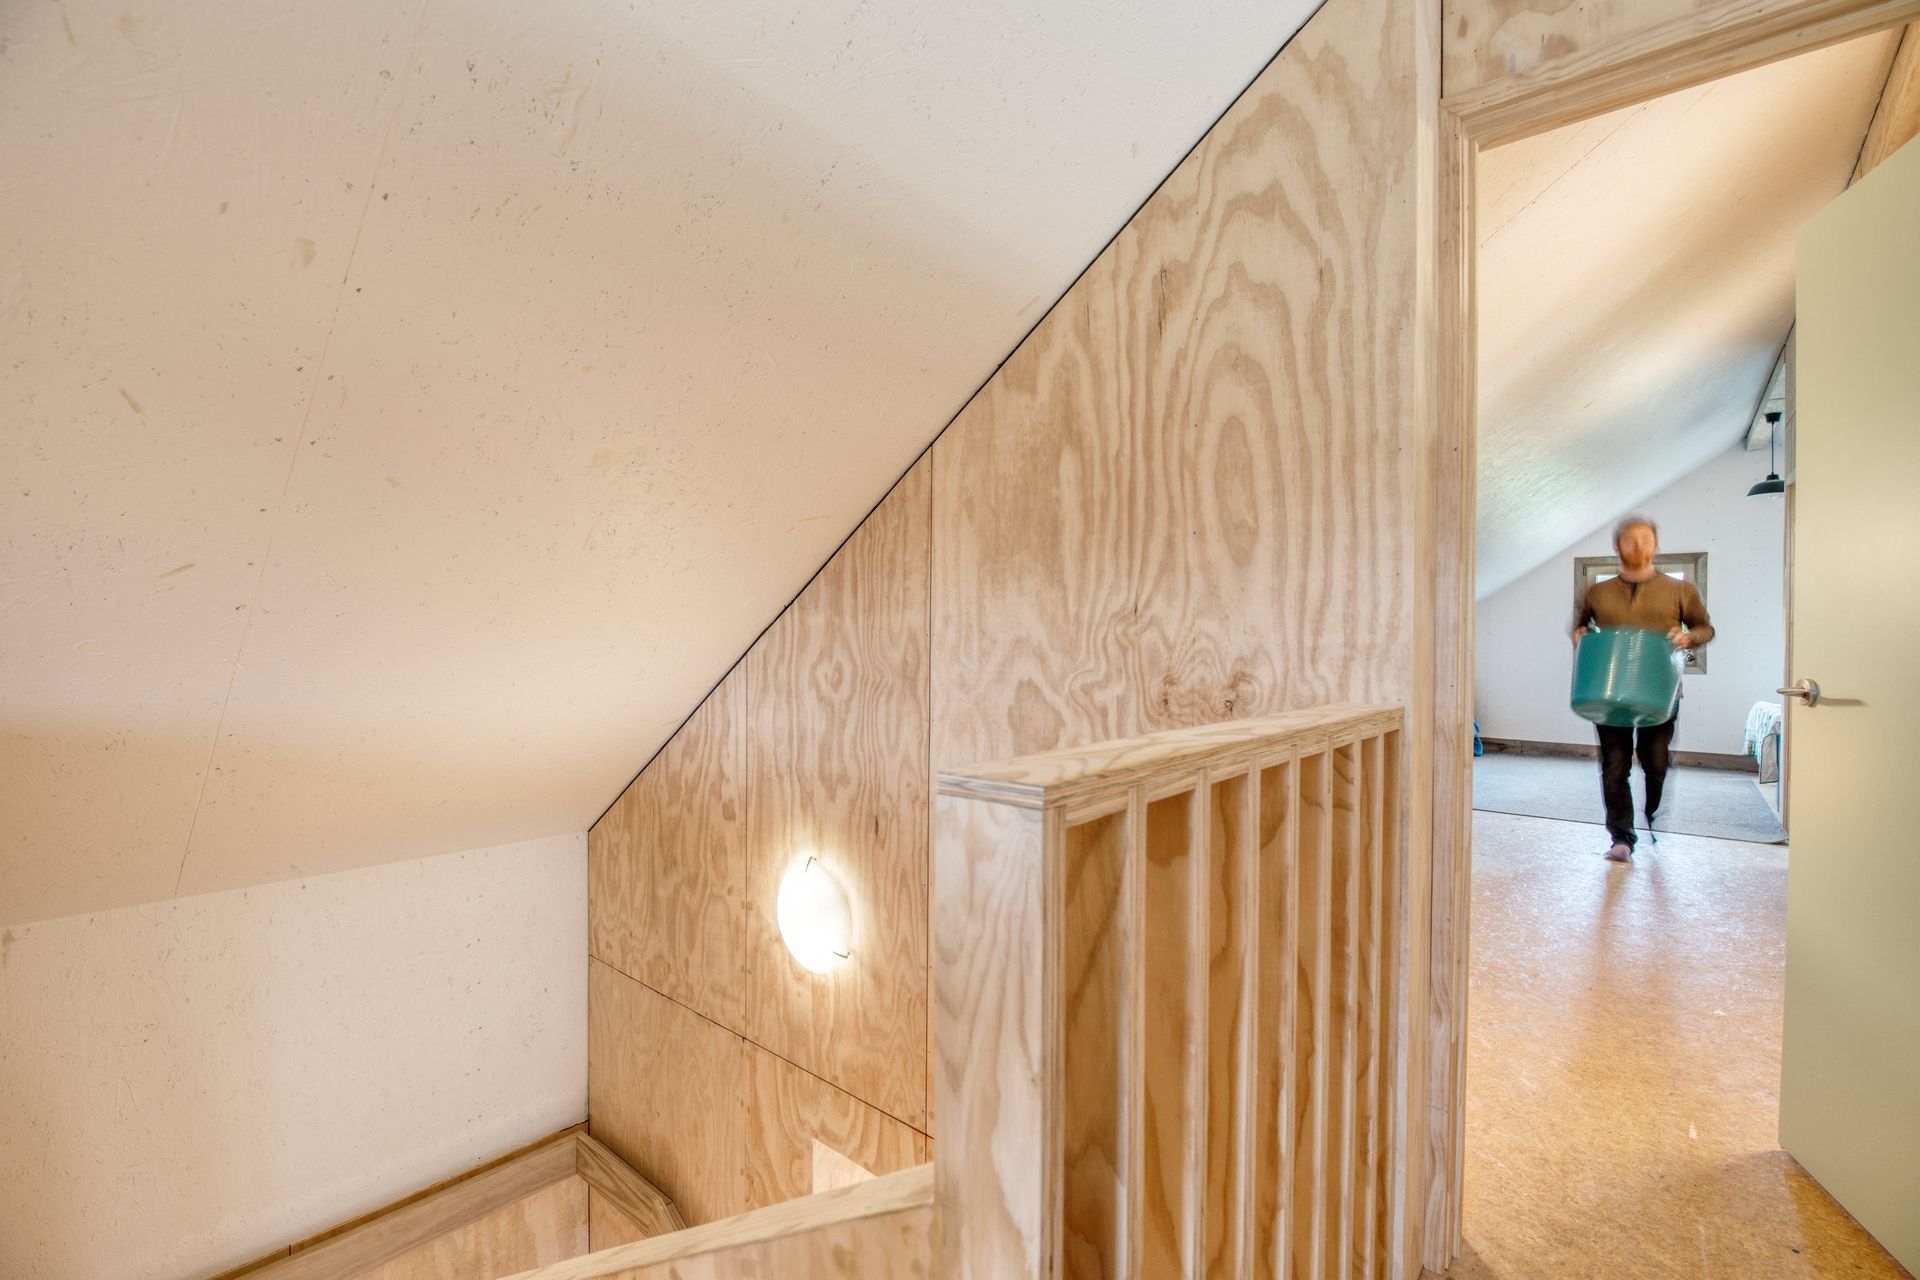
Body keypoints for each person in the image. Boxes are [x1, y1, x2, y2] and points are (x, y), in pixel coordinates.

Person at [1571, 516, 1714, 862]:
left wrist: (1688, 637)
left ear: (1656, 545)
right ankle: (1621, 837)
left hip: (1660, 692)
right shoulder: (1597, 592)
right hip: (1609, 693)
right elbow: (1579, 627)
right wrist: (1580, 635)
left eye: (1646, 539)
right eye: (1630, 539)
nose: (1638, 546)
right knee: (1615, 768)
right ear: (1617, 546)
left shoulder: (1681, 590)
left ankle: (1652, 814)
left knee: (1656, 763)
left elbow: (1705, 629)